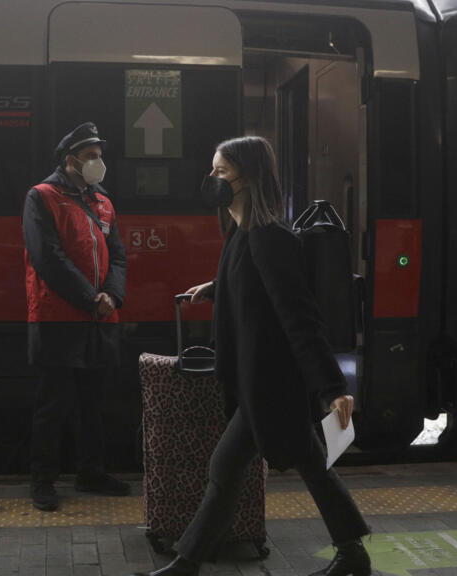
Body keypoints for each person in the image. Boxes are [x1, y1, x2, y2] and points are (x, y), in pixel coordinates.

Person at [135, 137, 371, 576]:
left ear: (248, 178)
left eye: (220, 172)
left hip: (272, 385)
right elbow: (253, 283)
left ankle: (187, 564)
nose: (212, 180)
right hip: (258, 382)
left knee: (236, 469)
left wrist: (332, 388)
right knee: (293, 468)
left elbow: (299, 317)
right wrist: (216, 286)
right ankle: (352, 553)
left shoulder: (269, 238)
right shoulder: (241, 233)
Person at [22, 122, 130, 512]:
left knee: (93, 403)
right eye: (91, 157)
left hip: (101, 317)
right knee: (53, 404)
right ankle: (43, 482)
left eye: (100, 156)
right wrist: (91, 298)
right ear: (71, 160)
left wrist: (112, 296)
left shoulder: (103, 201)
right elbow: (47, 258)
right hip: (57, 317)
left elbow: (117, 255)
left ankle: (91, 473)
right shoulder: (42, 197)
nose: (99, 163)